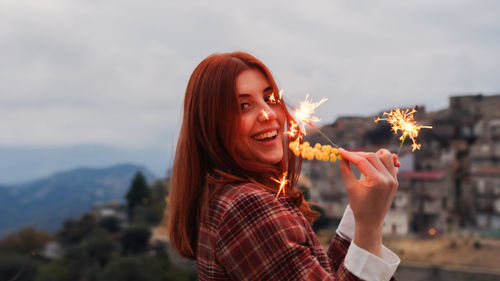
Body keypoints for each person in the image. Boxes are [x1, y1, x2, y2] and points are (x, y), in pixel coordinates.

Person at [168, 51, 401, 281]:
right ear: (212, 126)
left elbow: (318, 274)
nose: (268, 114)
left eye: (270, 99)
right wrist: (370, 225)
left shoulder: (229, 198)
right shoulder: (248, 207)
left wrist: (361, 214)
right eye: (244, 106)